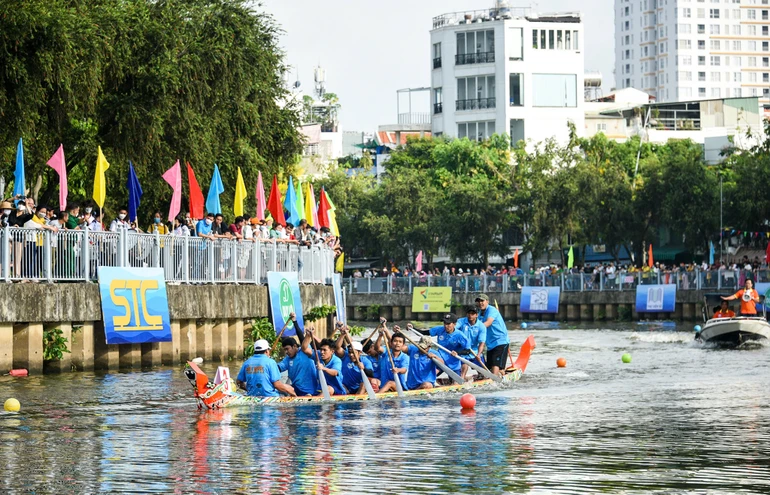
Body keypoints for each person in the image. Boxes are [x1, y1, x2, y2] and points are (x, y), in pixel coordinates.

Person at [417, 313, 469, 379]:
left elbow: (468, 351)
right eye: (444, 323)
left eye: (448, 324)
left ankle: (462, 378)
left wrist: (457, 353)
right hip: (440, 361)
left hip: (453, 364)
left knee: (456, 384)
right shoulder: (440, 329)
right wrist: (412, 328)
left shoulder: (460, 336)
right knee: (426, 379)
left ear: (454, 324)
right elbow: (423, 333)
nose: (446, 326)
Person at [301, 331, 346, 396]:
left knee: (329, 389)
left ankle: (315, 401)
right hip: (321, 389)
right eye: (321, 349)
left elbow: (335, 372)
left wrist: (323, 368)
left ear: (332, 351)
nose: (322, 352)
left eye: (325, 350)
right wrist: (308, 336)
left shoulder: (337, 360)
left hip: (336, 390)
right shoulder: (318, 355)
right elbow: (304, 349)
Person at [476, 293, 510, 376]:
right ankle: (500, 373)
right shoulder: (479, 313)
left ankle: (494, 380)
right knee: (491, 367)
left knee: (495, 365)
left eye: (482, 301)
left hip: (500, 341)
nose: (480, 303)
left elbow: (488, 322)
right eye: (478, 301)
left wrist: (475, 329)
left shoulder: (492, 310)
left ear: (487, 301)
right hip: (490, 344)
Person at [334, 326, 372, 394]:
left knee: (364, 384)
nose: (351, 355)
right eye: (349, 352)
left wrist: (364, 368)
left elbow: (371, 374)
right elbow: (337, 348)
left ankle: (358, 400)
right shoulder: (345, 356)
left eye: (353, 353)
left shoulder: (365, 361)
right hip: (345, 387)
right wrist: (342, 335)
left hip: (358, 388)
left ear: (360, 352)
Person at [456, 307, 487, 379]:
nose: (470, 315)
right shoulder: (461, 322)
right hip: (462, 351)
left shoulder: (481, 326)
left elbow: (482, 343)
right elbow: (453, 329)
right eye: (469, 313)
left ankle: (481, 377)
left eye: (473, 314)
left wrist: (479, 354)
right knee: (464, 366)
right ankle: (461, 380)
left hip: (474, 351)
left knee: (483, 373)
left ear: (476, 315)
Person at [374, 328, 409, 392]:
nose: (397, 343)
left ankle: (375, 399)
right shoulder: (386, 352)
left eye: (400, 342)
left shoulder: (404, 357)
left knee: (390, 383)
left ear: (403, 345)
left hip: (399, 387)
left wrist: (398, 370)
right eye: (395, 341)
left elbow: (404, 370)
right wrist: (380, 336)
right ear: (391, 343)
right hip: (384, 386)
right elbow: (377, 348)